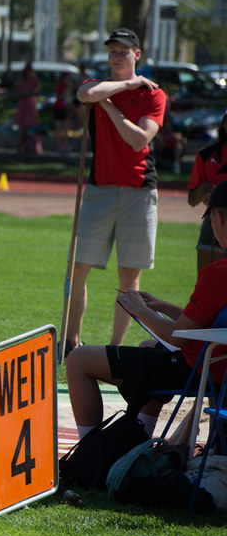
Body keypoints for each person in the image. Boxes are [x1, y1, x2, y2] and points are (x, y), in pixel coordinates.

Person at [66, 180, 227, 439]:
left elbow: (178, 336)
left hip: (203, 370)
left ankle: (89, 452)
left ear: (217, 215)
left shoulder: (217, 273)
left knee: (78, 360)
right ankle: (139, 437)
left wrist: (140, 310)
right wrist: (161, 306)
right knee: (147, 349)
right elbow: (206, 322)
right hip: (215, 363)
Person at [64, 28, 167, 358]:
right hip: (100, 189)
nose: (117, 56)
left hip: (139, 191)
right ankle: (71, 342)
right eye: (112, 51)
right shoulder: (96, 87)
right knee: (76, 268)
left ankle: (115, 350)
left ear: (137, 54)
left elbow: (139, 140)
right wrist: (126, 85)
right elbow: (85, 95)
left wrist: (109, 108)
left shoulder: (154, 95)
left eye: (124, 51)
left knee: (129, 278)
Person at [187, 111, 227, 273]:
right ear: (224, 123)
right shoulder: (206, 155)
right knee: (208, 279)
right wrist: (203, 190)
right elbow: (192, 200)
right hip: (216, 220)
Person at [14, 63, 40, 154]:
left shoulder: (35, 80)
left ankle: (21, 145)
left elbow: (35, 91)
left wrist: (28, 93)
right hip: (23, 105)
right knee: (23, 126)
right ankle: (24, 145)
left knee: (26, 125)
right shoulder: (22, 80)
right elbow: (19, 91)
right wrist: (24, 93)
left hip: (30, 105)